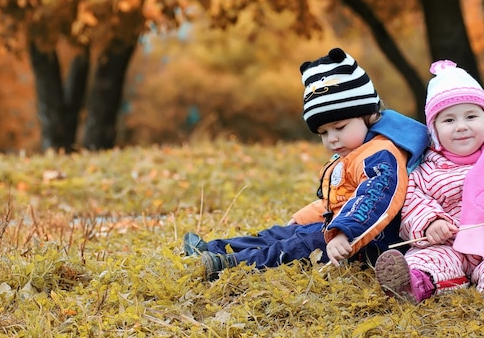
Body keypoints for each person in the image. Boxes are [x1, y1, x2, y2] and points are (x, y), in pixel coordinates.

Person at [183, 47, 429, 280]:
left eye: (339, 128)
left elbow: (374, 200)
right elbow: (335, 202)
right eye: (323, 133)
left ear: (368, 115)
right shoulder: (354, 152)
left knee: (300, 245)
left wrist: (345, 233)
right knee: (282, 233)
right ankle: (215, 249)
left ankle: (232, 265)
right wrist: (304, 217)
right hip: (339, 229)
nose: (332, 139)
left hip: (369, 242)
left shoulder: (381, 154)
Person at [374, 60, 484, 316]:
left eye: (471, 116)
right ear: (434, 129)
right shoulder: (428, 166)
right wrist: (430, 223)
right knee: (427, 259)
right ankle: (412, 284)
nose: (461, 126)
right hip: (448, 243)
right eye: (448, 120)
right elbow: (413, 200)